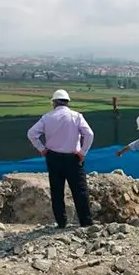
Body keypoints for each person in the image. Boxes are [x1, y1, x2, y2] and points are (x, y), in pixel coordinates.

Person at [27, 89, 95, 228]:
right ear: (67, 102)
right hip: (73, 158)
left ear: (54, 102)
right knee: (80, 191)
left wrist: (42, 148)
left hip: (53, 157)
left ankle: (61, 222)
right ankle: (86, 222)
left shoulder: (47, 117)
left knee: (57, 191)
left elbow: (31, 133)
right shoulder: (76, 116)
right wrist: (82, 152)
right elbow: (89, 134)